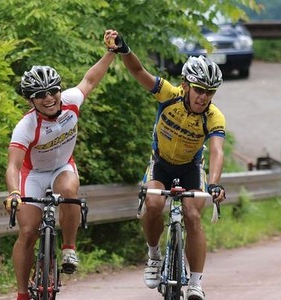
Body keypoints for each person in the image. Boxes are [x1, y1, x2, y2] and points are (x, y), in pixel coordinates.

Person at [104, 29, 227, 300]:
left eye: (209, 92)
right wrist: (125, 50)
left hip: (190, 168)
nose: (203, 97)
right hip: (161, 164)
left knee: (193, 216)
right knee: (154, 204)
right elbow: (139, 72)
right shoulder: (168, 95)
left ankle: (195, 283)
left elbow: (217, 150)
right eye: (199, 90)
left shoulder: (214, 116)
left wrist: (215, 182)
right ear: (185, 84)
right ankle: (153, 255)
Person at [3, 48, 116, 300]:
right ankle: (22, 293)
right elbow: (13, 166)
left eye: (53, 91)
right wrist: (13, 192)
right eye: (40, 95)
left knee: (68, 192)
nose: (49, 98)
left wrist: (112, 52)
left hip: (62, 167)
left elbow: (90, 79)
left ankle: (68, 248)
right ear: (30, 100)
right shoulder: (26, 126)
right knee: (28, 232)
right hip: (32, 174)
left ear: (59, 90)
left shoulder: (71, 101)